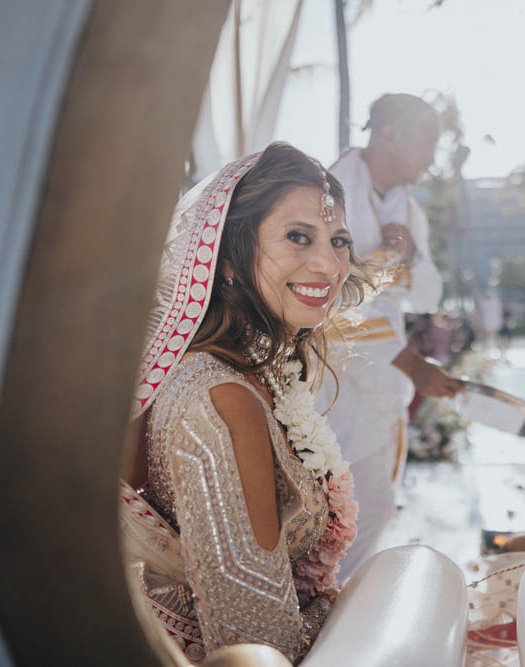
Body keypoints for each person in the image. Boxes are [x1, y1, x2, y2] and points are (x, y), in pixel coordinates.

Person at [119, 142, 371, 663]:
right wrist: (359, 609)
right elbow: (256, 644)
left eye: (338, 240)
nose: (328, 263)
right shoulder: (224, 398)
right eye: (298, 237)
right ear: (229, 258)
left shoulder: (251, 375)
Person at [320, 93, 463, 578]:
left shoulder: (407, 208)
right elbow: (329, 307)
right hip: (327, 381)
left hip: (380, 380)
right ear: (389, 135)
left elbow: (428, 293)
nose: (430, 157)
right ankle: (317, 626)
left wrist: (397, 256)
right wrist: (415, 365)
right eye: (425, 143)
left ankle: (333, 618)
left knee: (370, 509)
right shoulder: (325, 195)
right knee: (343, 514)